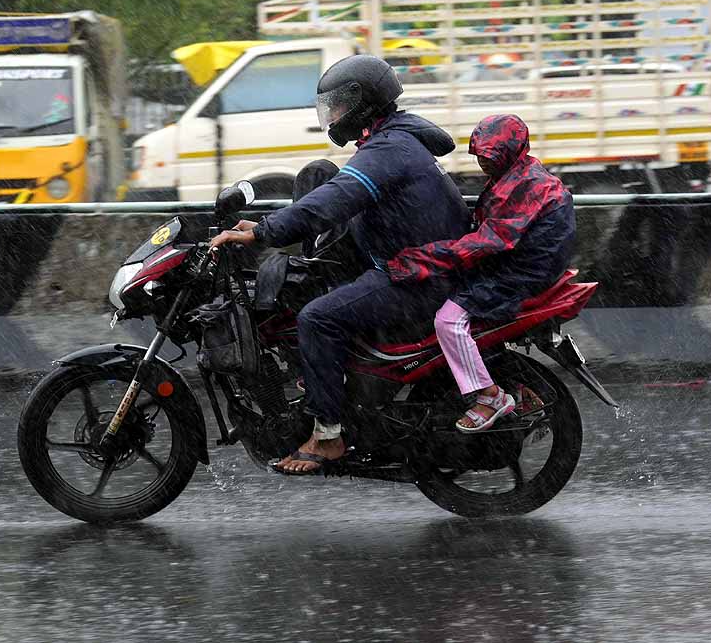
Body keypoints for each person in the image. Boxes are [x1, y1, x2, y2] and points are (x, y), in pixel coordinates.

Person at [211, 54, 469, 475]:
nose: (333, 115)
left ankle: (328, 435)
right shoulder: (394, 140)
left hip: (417, 277)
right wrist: (267, 224)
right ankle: (328, 383)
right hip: (416, 264)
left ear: (364, 103)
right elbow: (333, 193)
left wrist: (263, 233)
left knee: (317, 318)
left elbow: (337, 198)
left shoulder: (389, 149)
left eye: (339, 105)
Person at [387, 114, 576, 432]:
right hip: (517, 264)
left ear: (509, 151)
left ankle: (490, 397)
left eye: (490, 156)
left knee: (448, 321)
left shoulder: (524, 186)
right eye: (481, 157)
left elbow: (487, 242)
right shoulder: (517, 174)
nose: (483, 163)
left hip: (519, 275)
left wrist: (422, 259)